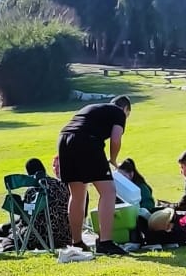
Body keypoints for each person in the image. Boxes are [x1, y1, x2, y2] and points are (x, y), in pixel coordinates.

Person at [56, 94, 132, 256]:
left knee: (77, 194)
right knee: (109, 192)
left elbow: (76, 126)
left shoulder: (93, 109)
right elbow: (116, 138)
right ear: (125, 109)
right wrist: (113, 159)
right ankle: (105, 242)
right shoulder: (118, 112)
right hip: (86, 141)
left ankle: (76, 242)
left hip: (64, 140)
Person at [25, 156, 71, 248]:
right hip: (66, 236)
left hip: (43, 237)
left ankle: (4, 233)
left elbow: (27, 214)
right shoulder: (61, 185)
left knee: (14, 233)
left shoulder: (32, 190)